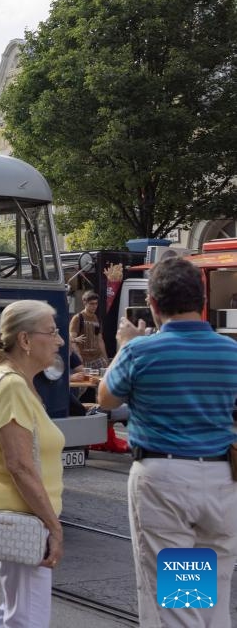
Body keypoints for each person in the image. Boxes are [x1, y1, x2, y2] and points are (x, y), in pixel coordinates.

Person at [98, 257, 237, 627]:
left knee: (176, 603)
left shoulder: (140, 352)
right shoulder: (231, 353)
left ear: (154, 305)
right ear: (202, 297)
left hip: (164, 479)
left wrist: (126, 344)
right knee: (213, 596)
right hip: (221, 479)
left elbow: (105, 399)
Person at [0, 299, 65, 627]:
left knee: (16, 610)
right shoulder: (12, 384)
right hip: (24, 518)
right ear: (25, 341)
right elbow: (20, 465)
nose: (60, 340)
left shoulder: (11, 379)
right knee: (27, 617)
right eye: (52, 332)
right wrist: (53, 527)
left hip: (21, 515)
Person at [69, 290, 109, 369]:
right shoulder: (78, 318)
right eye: (91, 304)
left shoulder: (97, 319)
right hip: (84, 360)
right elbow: (72, 340)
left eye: (96, 303)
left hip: (98, 359)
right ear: (85, 303)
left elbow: (99, 339)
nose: (94, 306)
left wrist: (106, 359)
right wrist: (78, 356)